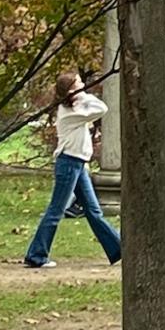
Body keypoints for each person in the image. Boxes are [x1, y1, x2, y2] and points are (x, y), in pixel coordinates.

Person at [24, 70, 120, 269]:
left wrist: (78, 94)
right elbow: (101, 108)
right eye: (78, 83)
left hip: (78, 164)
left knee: (94, 211)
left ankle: (118, 248)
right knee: (56, 210)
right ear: (70, 90)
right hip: (68, 163)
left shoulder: (75, 108)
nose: (83, 85)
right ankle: (36, 255)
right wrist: (82, 94)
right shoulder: (71, 113)